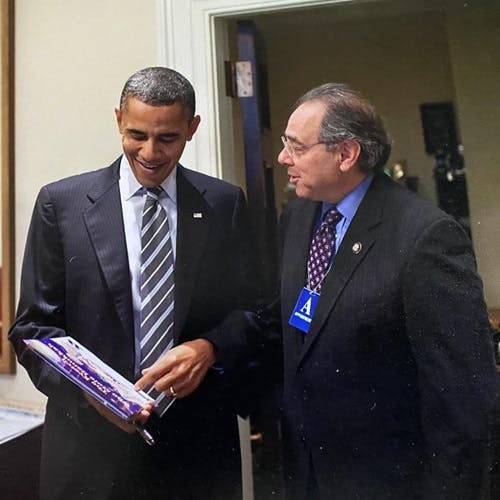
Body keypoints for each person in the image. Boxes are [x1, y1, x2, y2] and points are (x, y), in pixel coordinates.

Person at [223, 82, 498, 499]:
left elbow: (464, 405)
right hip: (309, 475)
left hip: (388, 483)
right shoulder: (298, 216)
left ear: (346, 154)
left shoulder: (425, 236)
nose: (282, 158)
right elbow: (294, 323)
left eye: (296, 147)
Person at [9, 67, 258, 499]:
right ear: (118, 120)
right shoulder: (61, 204)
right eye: (135, 135)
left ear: (192, 128)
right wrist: (95, 394)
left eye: (167, 138)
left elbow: (255, 313)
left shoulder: (224, 204)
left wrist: (209, 347)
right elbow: (32, 330)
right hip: (88, 451)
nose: (149, 152)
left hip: (196, 451)